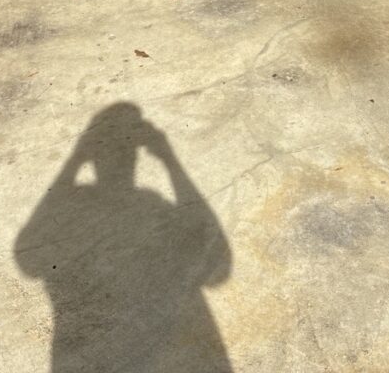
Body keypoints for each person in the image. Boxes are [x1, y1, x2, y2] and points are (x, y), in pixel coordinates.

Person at [16, 102, 232, 372]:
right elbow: (217, 266)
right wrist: (169, 159)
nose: (125, 156)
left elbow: (28, 256)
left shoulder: (124, 201)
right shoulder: (151, 203)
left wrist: (74, 160)